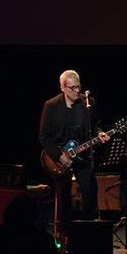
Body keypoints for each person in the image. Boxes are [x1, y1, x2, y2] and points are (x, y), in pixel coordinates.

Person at [39, 70, 109, 222]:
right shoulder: (51, 106)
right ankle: (66, 232)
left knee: (90, 191)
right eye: (73, 88)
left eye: (79, 86)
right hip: (60, 160)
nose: (77, 91)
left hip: (83, 157)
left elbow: (97, 125)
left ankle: (88, 227)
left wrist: (101, 133)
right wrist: (59, 156)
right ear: (63, 87)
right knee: (64, 198)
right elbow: (44, 135)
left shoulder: (88, 103)